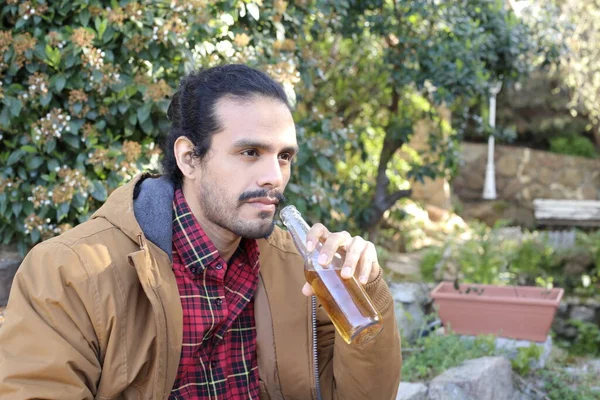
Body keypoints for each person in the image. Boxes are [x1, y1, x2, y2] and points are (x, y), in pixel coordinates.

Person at [0, 64, 401, 399]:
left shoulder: (302, 269)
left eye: (284, 156)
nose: (273, 177)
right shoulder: (69, 272)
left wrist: (366, 290)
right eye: (250, 153)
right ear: (189, 158)